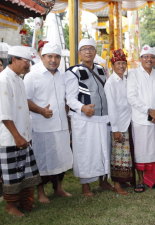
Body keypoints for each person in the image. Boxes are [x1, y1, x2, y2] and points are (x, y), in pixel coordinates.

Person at [63, 38, 114, 197]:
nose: (88, 52)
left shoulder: (101, 69)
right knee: (86, 151)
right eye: (84, 49)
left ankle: (103, 180)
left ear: (95, 51)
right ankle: (86, 186)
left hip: (102, 117)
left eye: (91, 49)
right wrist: (82, 108)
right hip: (84, 120)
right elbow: (69, 98)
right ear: (79, 53)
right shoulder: (73, 72)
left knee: (103, 149)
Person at [24, 43, 73, 203]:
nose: (53, 60)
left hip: (61, 126)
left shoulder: (62, 75)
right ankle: (40, 193)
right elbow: (25, 100)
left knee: (59, 158)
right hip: (42, 127)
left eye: (57, 57)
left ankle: (58, 188)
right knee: (41, 160)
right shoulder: (32, 75)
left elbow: (65, 100)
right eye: (50, 56)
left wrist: (68, 119)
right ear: (42, 57)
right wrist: (40, 110)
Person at [0, 46, 41, 216]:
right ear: (14, 60)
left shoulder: (18, 79)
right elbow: (4, 114)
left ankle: (24, 202)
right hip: (10, 137)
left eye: (29, 61)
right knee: (12, 174)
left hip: (21, 135)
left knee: (23, 173)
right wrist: (16, 136)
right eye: (25, 61)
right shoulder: (3, 80)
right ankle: (10, 206)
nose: (28, 64)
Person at [127, 45, 155, 193]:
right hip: (140, 119)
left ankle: (153, 179)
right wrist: (149, 111)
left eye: (151, 57)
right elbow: (132, 97)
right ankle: (140, 180)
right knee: (140, 151)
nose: (149, 59)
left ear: (154, 60)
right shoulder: (134, 74)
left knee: (154, 149)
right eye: (146, 57)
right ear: (140, 59)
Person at [104, 49, 135, 196]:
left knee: (126, 154)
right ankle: (117, 185)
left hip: (128, 121)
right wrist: (115, 128)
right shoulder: (110, 83)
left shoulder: (127, 80)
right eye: (118, 63)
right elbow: (111, 107)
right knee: (118, 155)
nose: (121, 66)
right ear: (112, 65)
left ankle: (124, 180)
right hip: (118, 124)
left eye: (123, 63)